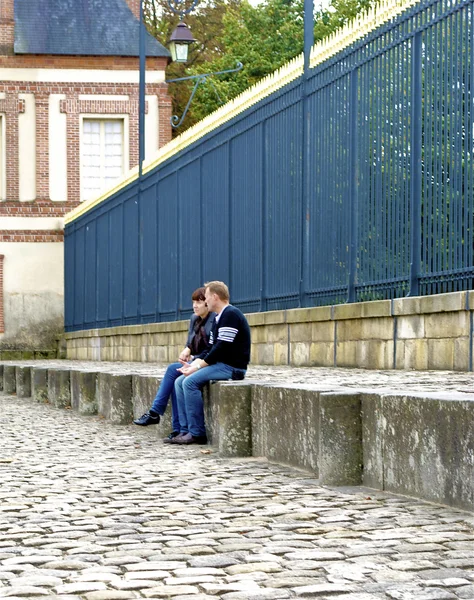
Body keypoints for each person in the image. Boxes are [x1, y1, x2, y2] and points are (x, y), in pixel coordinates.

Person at [169, 281, 251, 445]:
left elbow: (221, 348)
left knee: (190, 382)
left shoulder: (231, 314)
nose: (205, 301)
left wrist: (198, 367)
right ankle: (185, 430)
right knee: (179, 381)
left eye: (206, 297)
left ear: (215, 297)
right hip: (219, 365)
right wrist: (192, 364)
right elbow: (210, 348)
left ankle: (197, 433)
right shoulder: (219, 318)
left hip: (232, 368)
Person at [133, 287, 215, 441]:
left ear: (207, 303)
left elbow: (212, 349)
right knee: (174, 372)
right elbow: (190, 342)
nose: (195, 306)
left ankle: (159, 416)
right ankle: (175, 427)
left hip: (205, 362)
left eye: (199, 302)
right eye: (193, 302)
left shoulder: (214, 319)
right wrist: (187, 349)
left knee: (177, 375)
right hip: (196, 359)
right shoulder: (194, 319)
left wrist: (194, 363)